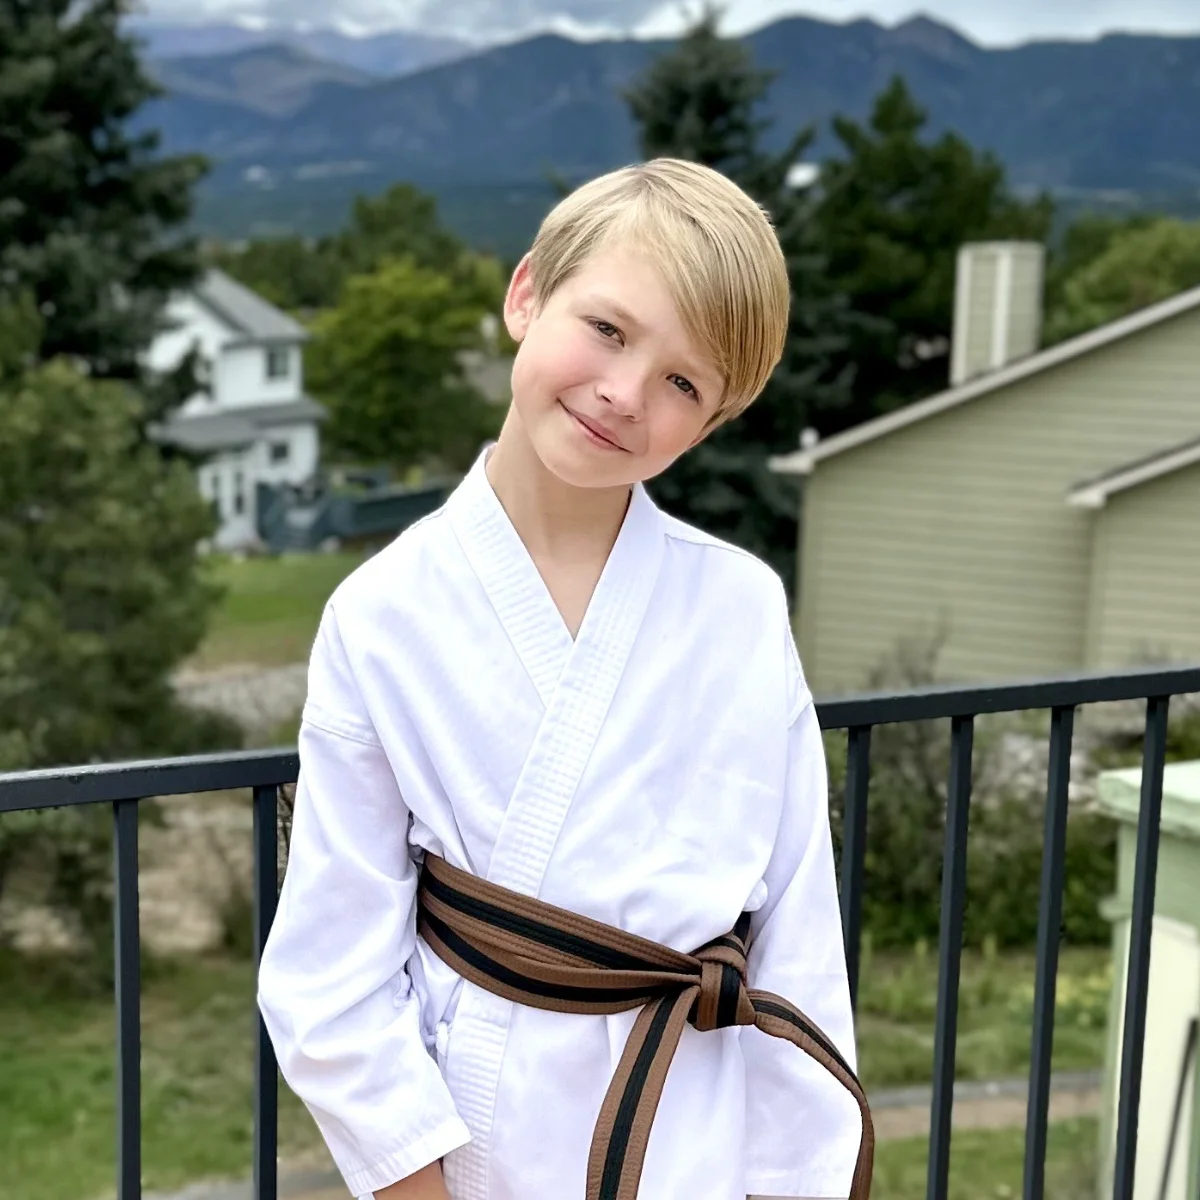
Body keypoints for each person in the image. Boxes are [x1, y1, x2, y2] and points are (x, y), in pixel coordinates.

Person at [257, 157, 866, 1200]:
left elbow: (799, 945)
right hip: (482, 1139)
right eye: (608, 329)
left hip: (699, 1131)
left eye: (683, 383)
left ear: (711, 423)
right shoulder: (382, 616)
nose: (624, 394)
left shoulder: (741, 609)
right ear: (527, 294)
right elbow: (331, 976)